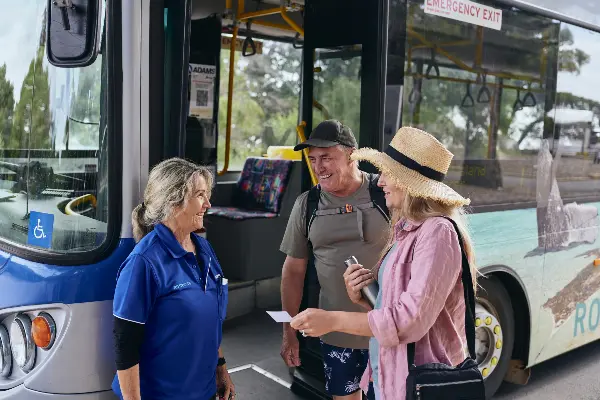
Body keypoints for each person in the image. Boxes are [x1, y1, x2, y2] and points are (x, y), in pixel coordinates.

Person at [290, 126, 477, 400]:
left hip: (419, 382)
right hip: (393, 375)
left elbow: (408, 321)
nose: (380, 182)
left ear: (408, 182)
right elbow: (398, 307)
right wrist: (365, 297)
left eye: (387, 173)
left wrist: (331, 320)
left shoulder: (438, 232)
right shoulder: (408, 228)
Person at [279, 120, 390, 400]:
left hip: (389, 332)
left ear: (351, 154)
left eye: (326, 157)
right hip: (336, 334)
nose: (318, 167)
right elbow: (293, 271)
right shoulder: (308, 204)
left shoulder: (386, 193)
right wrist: (288, 330)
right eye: (313, 159)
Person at [111, 158, 235, 400]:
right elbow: (125, 345)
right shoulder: (144, 262)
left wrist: (221, 368)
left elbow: (209, 323)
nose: (207, 204)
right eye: (200, 195)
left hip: (205, 391)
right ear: (173, 202)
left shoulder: (205, 250)